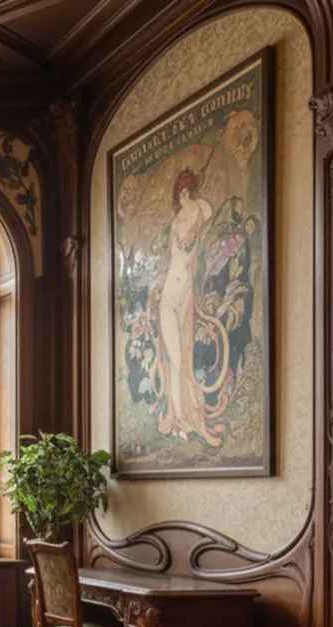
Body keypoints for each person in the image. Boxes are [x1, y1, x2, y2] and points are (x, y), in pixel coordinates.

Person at [152, 168, 220, 447]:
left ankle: (191, 417)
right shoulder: (180, 221)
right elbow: (179, 247)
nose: (181, 200)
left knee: (186, 357)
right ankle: (181, 419)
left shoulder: (199, 209)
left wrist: (198, 221)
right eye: (179, 194)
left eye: (184, 192)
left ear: (188, 191)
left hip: (186, 292)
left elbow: (196, 233)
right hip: (169, 295)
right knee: (176, 358)